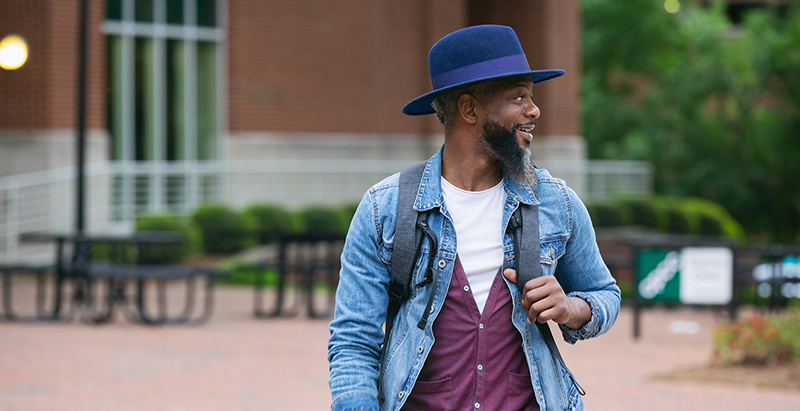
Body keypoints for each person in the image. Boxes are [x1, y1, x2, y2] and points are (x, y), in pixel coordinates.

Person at [327, 25, 620, 411]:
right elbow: (353, 340)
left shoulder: (555, 203)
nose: (534, 110)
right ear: (469, 109)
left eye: (532, 96)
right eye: (518, 97)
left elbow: (605, 295)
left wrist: (571, 309)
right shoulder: (386, 209)